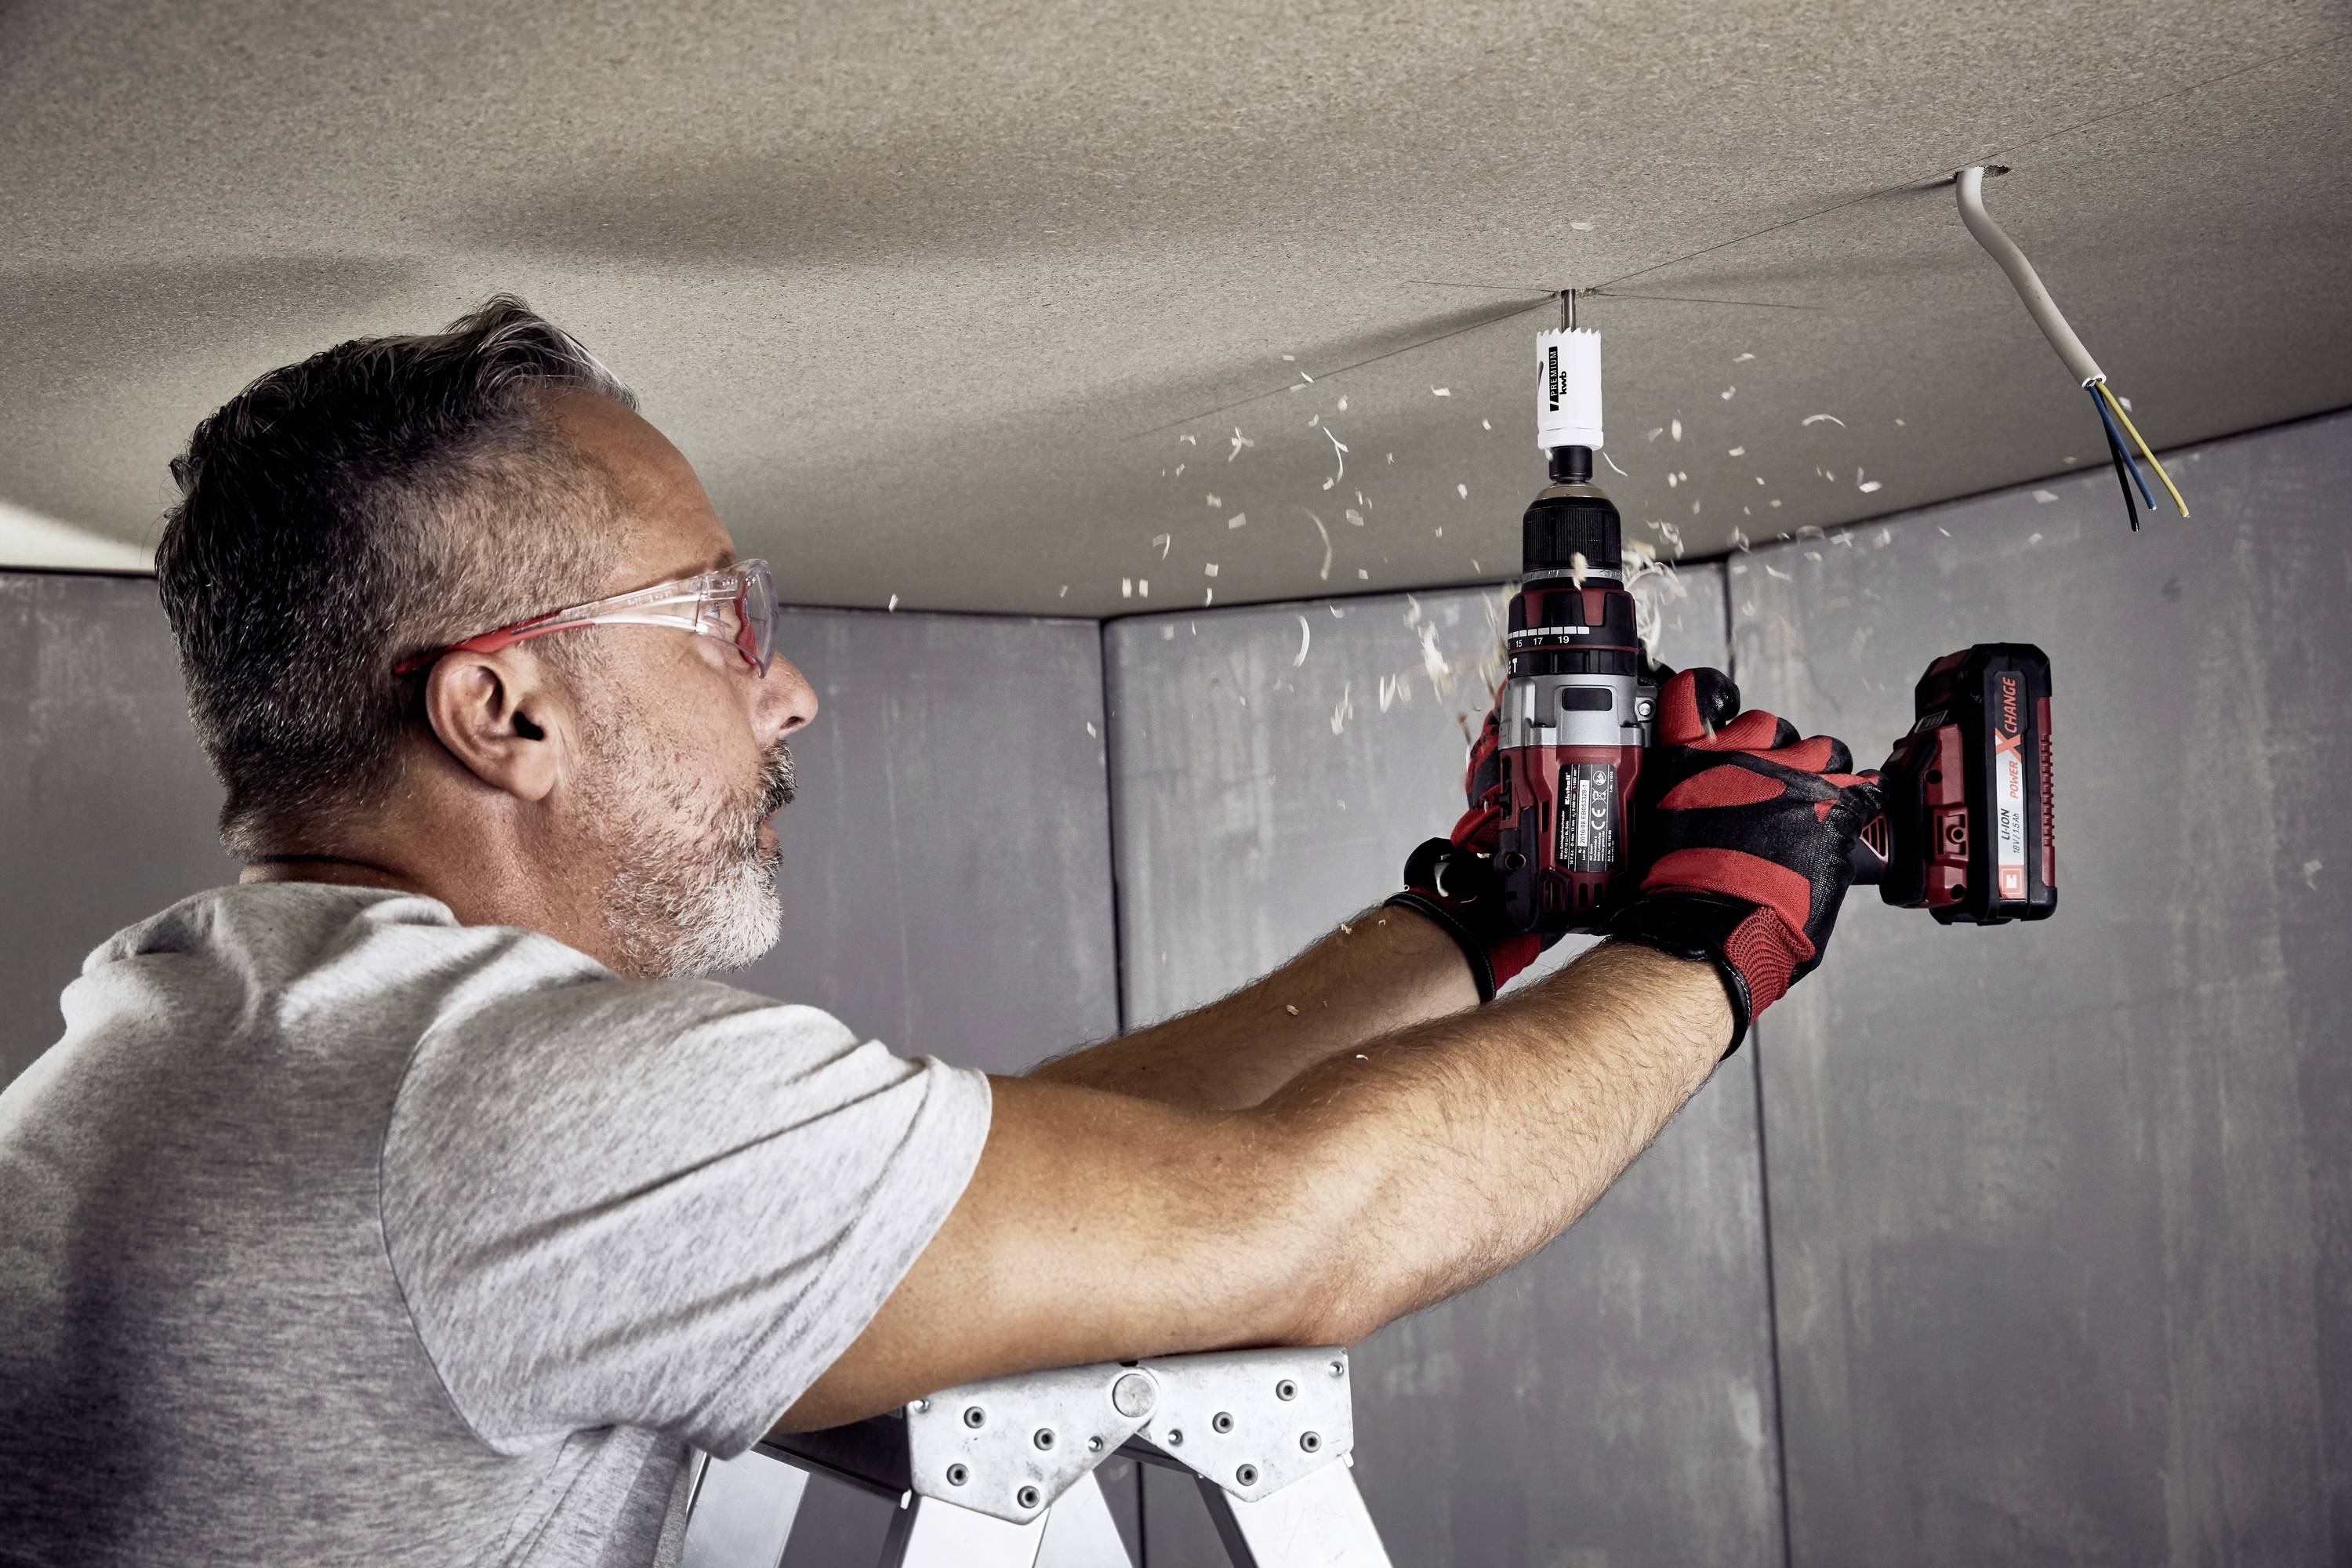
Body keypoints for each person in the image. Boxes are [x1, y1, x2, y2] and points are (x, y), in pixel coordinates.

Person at [0, 298, 1878, 1566]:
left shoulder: (203, 1030)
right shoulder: (500, 1104)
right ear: (506, 714)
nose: (790, 689)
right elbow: (1303, 1230)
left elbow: (1000, 1173)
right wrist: (1726, 924)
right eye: (721, 620)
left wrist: (1470, 912)